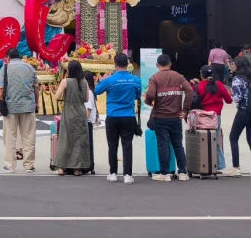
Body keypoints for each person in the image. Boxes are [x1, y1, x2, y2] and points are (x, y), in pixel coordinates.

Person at [144, 53, 193, 182]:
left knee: (163, 144)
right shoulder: (179, 77)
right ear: (170, 64)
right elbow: (190, 91)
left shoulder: (155, 78)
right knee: (178, 144)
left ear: (157, 65)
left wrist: (149, 103)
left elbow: (150, 94)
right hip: (176, 116)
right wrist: (185, 110)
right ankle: (183, 172)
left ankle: (165, 174)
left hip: (160, 116)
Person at [94, 52, 141, 184]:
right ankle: (127, 175)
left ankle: (113, 173)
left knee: (112, 145)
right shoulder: (135, 80)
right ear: (128, 64)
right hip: (128, 116)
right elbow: (137, 96)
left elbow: (97, 91)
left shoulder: (110, 80)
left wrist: (102, 80)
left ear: (115, 65)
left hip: (113, 116)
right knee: (127, 145)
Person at [0, 48, 38, 173]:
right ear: (19, 57)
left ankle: (10, 165)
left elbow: (0, 88)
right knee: (29, 136)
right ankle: (29, 164)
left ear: (8, 58)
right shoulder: (30, 68)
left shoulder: (5, 68)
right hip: (28, 106)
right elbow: (36, 87)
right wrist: (37, 103)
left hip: (10, 107)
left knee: (10, 136)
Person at [227, 55, 251, 178]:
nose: (232, 66)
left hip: (244, 111)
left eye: (234, 64)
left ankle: (236, 167)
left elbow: (237, 98)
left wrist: (232, 94)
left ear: (238, 66)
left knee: (233, 137)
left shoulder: (237, 79)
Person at [53, 60, 92, 176]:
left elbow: (56, 96)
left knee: (65, 139)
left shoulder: (65, 82)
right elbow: (86, 99)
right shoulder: (84, 82)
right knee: (79, 140)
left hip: (68, 112)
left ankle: (61, 167)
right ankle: (77, 169)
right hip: (80, 112)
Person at [193, 65, 233, 171]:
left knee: (202, 140)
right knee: (214, 140)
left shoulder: (200, 86)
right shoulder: (219, 85)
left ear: (202, 75)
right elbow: (229, 101)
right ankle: (219, 165)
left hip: (203, 117)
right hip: (216, 117)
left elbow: (194, 99)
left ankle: (202, 164)